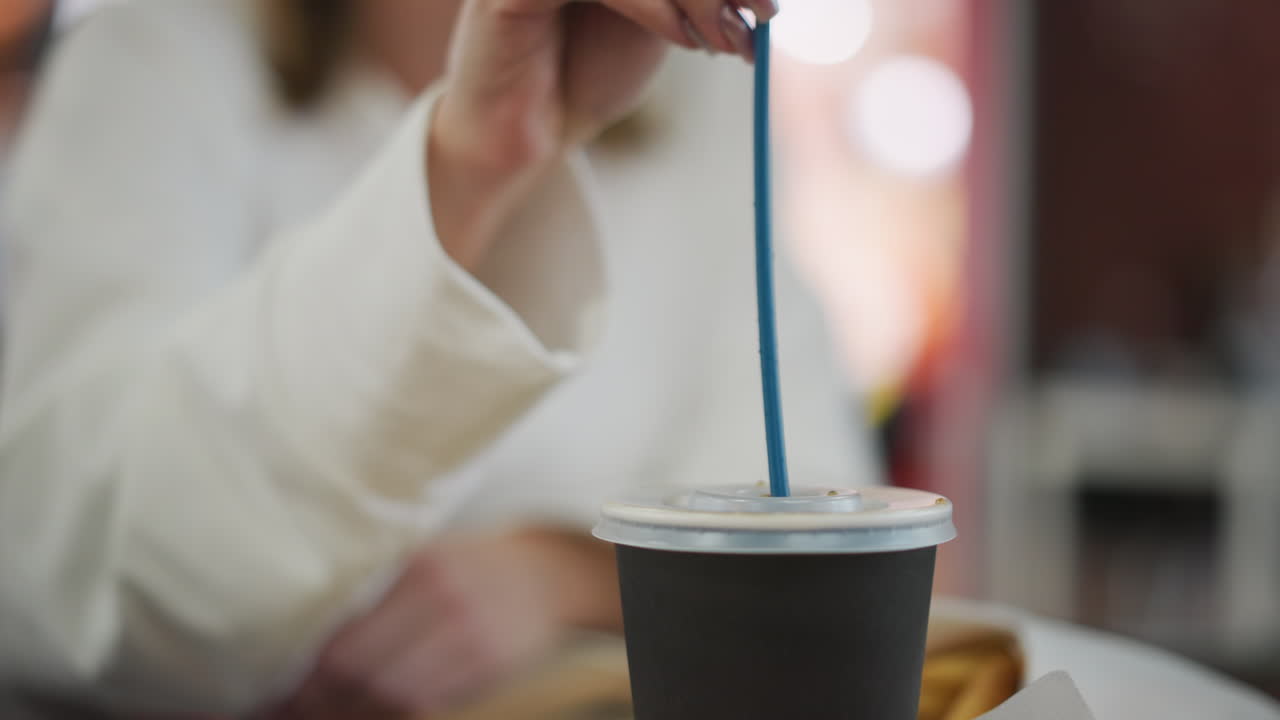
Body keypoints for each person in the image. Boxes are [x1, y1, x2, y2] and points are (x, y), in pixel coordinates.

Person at [0, 0, 880, 716]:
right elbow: (67, 581)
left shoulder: (703, 97)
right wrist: (471, 167)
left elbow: (826, 540)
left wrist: (555, 576)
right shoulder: (155, 55)